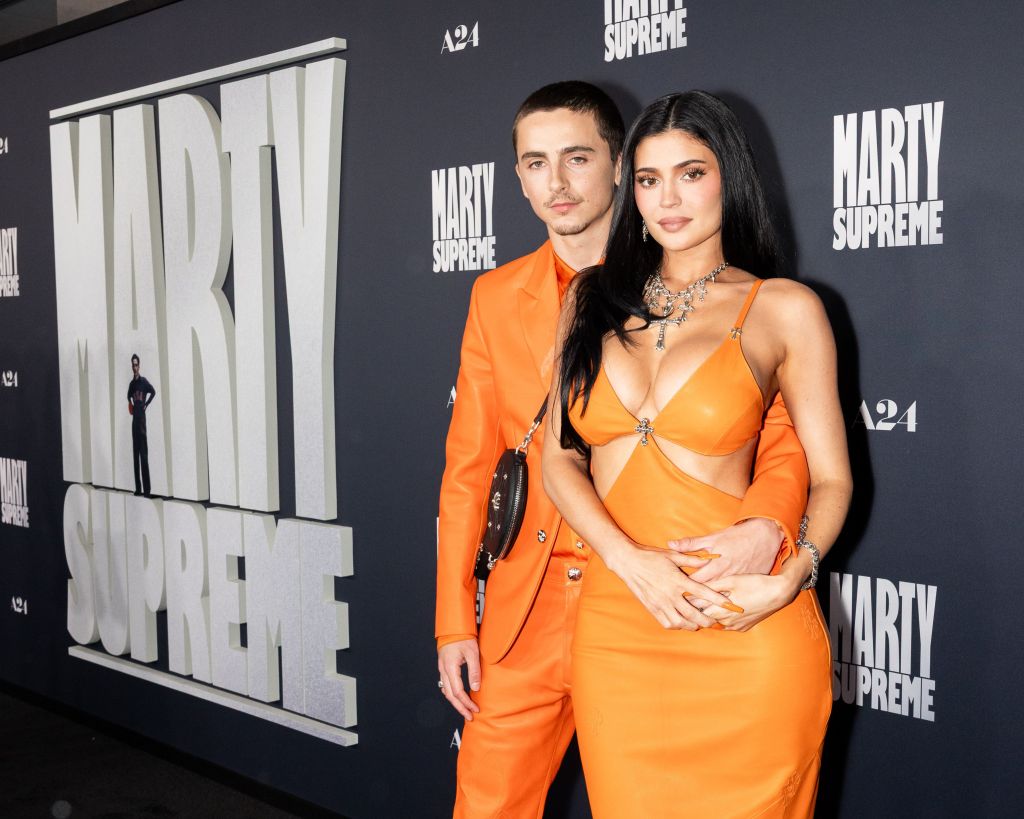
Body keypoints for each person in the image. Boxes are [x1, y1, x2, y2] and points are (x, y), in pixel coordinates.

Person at [436, 82, 812, 818]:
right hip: (530, 605)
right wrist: (456, 617)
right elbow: (469, 464)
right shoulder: (495, 295)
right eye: (536, 163)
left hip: (678, 583)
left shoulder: (720, 291)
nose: (557, 182)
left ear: (618, 166)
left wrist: (766, 526)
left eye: (577, 158)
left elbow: (782, 437)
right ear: (516, 176)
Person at [543, 90, 853, 817]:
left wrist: (794, 574)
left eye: (691, 173)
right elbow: (559, 459)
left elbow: (833, 478)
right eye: (648, 179)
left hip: (744, 626)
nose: (667, 199)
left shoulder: (784, 308)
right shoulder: (589, 299)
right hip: (620, 627)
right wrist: (628, 559)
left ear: (729, 178)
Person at [127, 353, 156, 497]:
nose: (135, 367)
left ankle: (147, 490)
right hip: (134, 422)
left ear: (139, 365)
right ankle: (138, 489)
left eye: (136, 364)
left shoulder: (144, 382)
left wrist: (146, 404)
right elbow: (128, 396)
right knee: (135, 455)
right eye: (133, 365)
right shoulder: (131, 384)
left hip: (142, 423)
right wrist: (131, 404)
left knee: (144, 456)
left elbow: (153, 391)